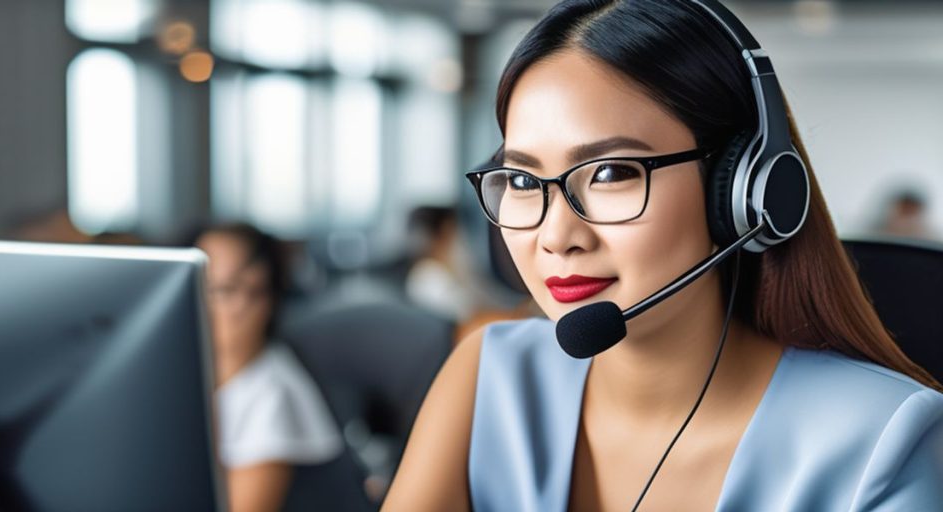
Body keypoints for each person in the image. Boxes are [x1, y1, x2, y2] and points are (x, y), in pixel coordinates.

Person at [383, 1, 943, 511]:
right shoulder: (491, 376)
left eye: (610, 173)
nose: (557, 236)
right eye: (524, 180)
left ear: (742, 193)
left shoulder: (881, 441)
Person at [194, 223, 342, 512]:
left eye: (220, 288)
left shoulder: (273, 393)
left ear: (262, 295)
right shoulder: (197, 377)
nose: (202, 300)